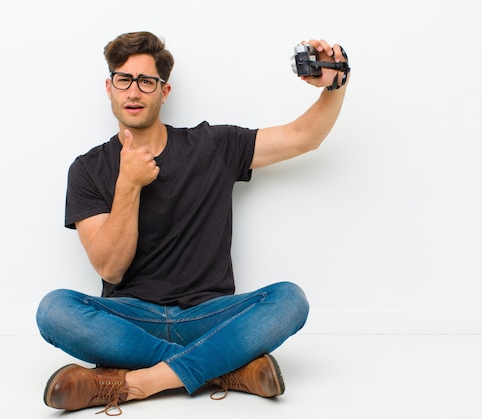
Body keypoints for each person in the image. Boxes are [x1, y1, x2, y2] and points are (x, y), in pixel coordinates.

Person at [36, 30, 349, 416]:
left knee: (290, 300)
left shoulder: (212, 146)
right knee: (53, 310)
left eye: (147, 81)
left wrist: (335, 84)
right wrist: (128, 184)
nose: (134, 91)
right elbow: (109, 267)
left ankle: (139, 382)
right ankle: (223, 370)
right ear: (110, 87)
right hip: (133, 321)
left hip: (209, 316)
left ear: (163, 92)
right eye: (124, 80)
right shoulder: (88, 169)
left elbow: (303, 138)